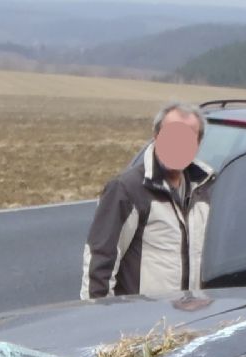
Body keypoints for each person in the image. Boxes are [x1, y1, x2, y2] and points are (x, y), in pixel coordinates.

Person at [82, 102, 214, 299]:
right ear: (156, 136)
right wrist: (98, 314)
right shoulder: (126, 190)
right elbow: (100, 261)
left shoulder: (205, 190)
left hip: (191, 314)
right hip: (143, 316)